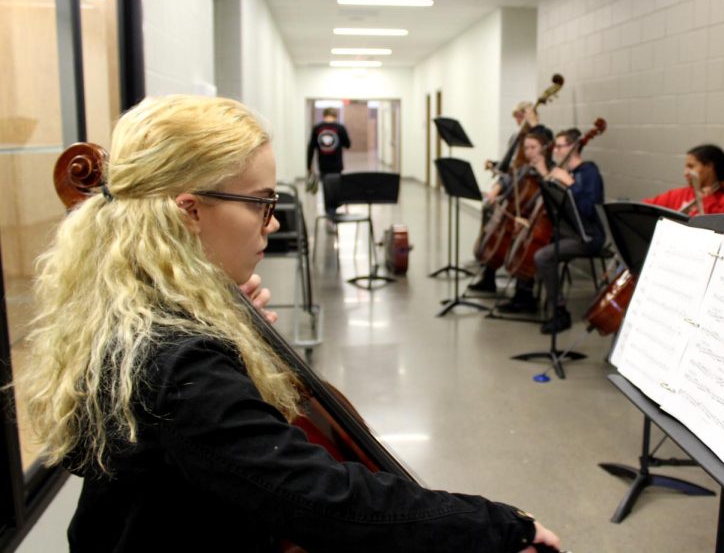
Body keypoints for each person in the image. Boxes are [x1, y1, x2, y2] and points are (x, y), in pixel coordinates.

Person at [17, 95, 561, 553]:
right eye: (260, 203)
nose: (272, 222)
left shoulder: (132, 309)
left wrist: (225, 317)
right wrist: (495, 526)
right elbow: (325, 501)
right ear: (189, 212)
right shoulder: (177, 359)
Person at [498, 129, 606, 334]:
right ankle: (524, 296)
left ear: (573, 148)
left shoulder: (588, 172)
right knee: (529, 242)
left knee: (543, 256)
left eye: (559, 146)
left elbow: (590, 210)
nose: (554, 150)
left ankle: (559, 312)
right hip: (565, 231)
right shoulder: (563, 171)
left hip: (586, 235)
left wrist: (570, 184)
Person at [469, 120, 553, 293]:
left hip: (534, 223)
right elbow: (508, 179)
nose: (528, 152)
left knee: (521, 241)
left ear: (544, 148)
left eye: (533, 147)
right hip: (517, 217)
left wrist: (543, 172)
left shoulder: (550, 170)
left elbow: (552, 195)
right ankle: (488, 278)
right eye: (526, 148)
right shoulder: (524, 168)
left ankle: (524, 292)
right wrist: (495, 191)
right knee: (495, 224)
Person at [643, 144, 724, 216]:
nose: (685, 173)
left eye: (691, 166)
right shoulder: (680, 194)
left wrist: (709, 202)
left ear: (709, 166)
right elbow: (644, 208)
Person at [306, 106, 351, 217]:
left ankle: (329, 211)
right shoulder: (340, 128)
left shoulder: (317, 128)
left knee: (327, 188)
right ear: (336, 115)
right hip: (337, 165)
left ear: (324, 115)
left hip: (323, 165)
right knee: (337, 186)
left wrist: (309, 165)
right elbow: (348, 144)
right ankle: (336, 207)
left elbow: (311, 147)